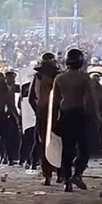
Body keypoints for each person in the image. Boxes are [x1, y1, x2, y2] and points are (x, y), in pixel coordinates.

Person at [53, 49, 101, 192]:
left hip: (65, 115)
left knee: (67, 149)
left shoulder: (59, 79)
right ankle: (78, 174)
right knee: (84, 149)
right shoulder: (84, 78)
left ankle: (67, 181)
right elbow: (91, 99)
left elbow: (54, 102)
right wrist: (97, 116)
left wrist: (54, 120)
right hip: (80, 115)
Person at [29, 52, 60, 185]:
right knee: (58, 143)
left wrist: (37, 112)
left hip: (42, 113)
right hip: (56, 112)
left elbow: (31, 98)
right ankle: (60, 173)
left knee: (44, 144)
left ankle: (47, 176)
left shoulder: (37, 77)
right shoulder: (59, 78)